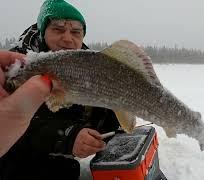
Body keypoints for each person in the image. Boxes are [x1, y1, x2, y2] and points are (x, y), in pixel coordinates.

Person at [0, 0, 121, 179]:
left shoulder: (91, 66)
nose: (67, 38)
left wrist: (117, 112)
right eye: (58, 29)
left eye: (75, 32)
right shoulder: (14, 67)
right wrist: (67, 137)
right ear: (43, 31)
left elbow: (99, 117)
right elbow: (13, 127)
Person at [0, 51, 51, 157]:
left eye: (75, 33)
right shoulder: (14, 62)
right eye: (59, 32)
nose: (67, 38)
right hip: (14, 164)